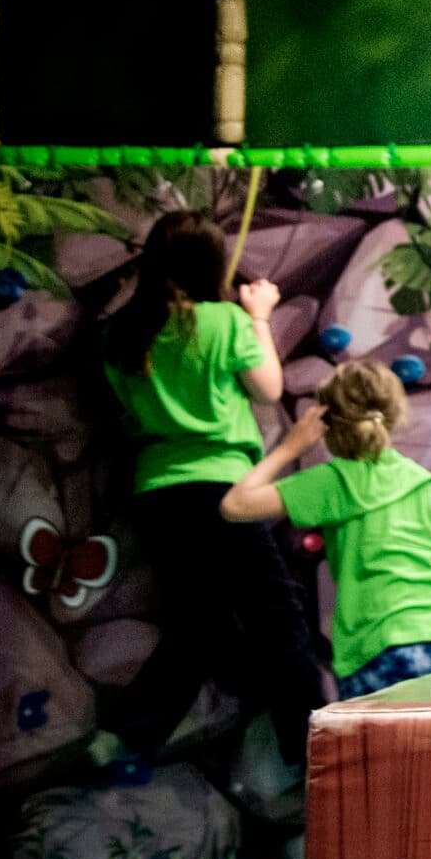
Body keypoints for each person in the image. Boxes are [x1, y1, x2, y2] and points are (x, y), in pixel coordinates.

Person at [94, 209, 322, 770]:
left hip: (157, 490)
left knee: (201, 622)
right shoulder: (225, 322)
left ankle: (125, 733)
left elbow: (124, 410)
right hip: (223, 490)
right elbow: (269, 389)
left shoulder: (122, 332)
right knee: (279, 614)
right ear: (211, 262)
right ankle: (313, 748)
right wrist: (260, 317)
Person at [221, 361, 431, 698]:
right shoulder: (429, 485)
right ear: (395, 414)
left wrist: (290, 447)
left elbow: (235, 504)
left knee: (375, 753)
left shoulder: (335, 481)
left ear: (327, 424)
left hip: (376, 646)